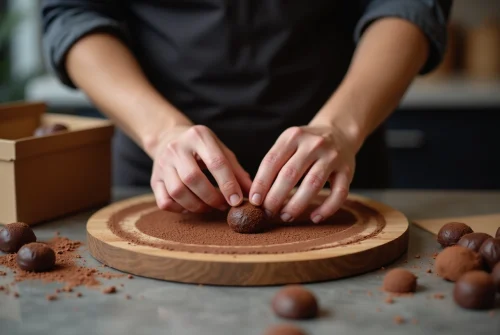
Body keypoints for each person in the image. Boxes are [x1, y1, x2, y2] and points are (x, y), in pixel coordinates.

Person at [41, 0, 452, 224]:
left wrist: (341, 126)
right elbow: (73, 13)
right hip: (163, 172)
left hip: (331, 171)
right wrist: (161, 132)